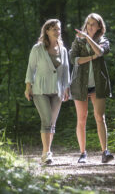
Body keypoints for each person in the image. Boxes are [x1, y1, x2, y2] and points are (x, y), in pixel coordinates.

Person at [69, 13, 114, 164]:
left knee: (100, 117)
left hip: (98, 84)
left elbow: (100, 52)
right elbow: (73, 59)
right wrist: (91, 57)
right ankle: (82, 153)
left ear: (100, 26)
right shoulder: (78, 40)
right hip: (79, 84)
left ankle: (105, 152)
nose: (90, 27)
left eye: (93, 24)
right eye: (88, 23)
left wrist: (88, 39)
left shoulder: (104, 40)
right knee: (81, 118)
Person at [25, 19, 70, 165]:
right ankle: (46, 153)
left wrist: (67, 88)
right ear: (47, 31)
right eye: (54, 29)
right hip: (40, 90)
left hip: (57, 90)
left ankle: (47, 152)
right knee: (46, 120)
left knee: (52, 123)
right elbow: (31, 69)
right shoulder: (37, 49)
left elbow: (66, 71)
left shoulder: (62, 49)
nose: (57, 32)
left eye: (59, 29)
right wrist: (28, 87)